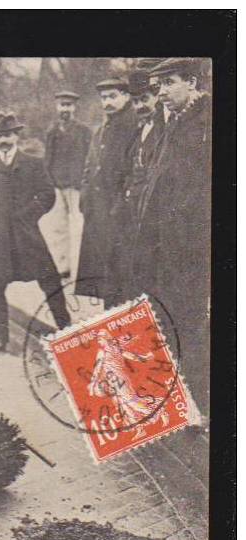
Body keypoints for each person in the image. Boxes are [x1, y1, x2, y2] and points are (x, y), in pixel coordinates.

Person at [134, 57, 211, 416]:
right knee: (173, 318)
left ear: (193, 82)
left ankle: (202, 404)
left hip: (191, 245)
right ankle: (185, 399)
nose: (161, 92)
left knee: (190, 322)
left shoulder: (207, 121)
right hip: (167, 243)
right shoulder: (175, 122)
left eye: (169, 83)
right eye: (158, 86)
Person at [0, 110, 70, 352]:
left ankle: (68, 331)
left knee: (51, 281)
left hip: (26, 237)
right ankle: (0, 338)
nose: (3, 139)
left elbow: (48, 194)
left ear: (17, 135)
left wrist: (29, 215)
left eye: (8, 134)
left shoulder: (33, 164)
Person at [75, 77, 137, 306]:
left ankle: (119, 325)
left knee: (118, 274)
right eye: (104, 97)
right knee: (103, 272)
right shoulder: (102, 128)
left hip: (118, 212)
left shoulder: (133, 125)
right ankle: (111, 322)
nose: (107, 102)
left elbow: (133, 170)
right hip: (97, 209)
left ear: (126, 96)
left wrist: (120, 205)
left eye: (113, 96)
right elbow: (89, 165)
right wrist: (84, 196)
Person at [110, 68, 165, 303]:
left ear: (156, 97)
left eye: (145, 99)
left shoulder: (165, 131)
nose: (140, 106)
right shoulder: (139, 131)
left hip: (151, 219)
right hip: (130, 216)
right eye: (135, 101)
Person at [43, 90, 92, 278]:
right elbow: (47, 159)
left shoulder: (83, 131)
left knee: (78, 226)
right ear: (57, 107)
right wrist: (49, 181)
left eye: (69, 105)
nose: (65, 109)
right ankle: (63, 266)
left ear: (74, 107)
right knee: (58, 228)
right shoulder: (52, 131)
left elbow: (90, 157)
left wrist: (85, 181)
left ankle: (81, 269)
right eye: (62, 105)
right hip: (57, 185)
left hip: (76, 185)